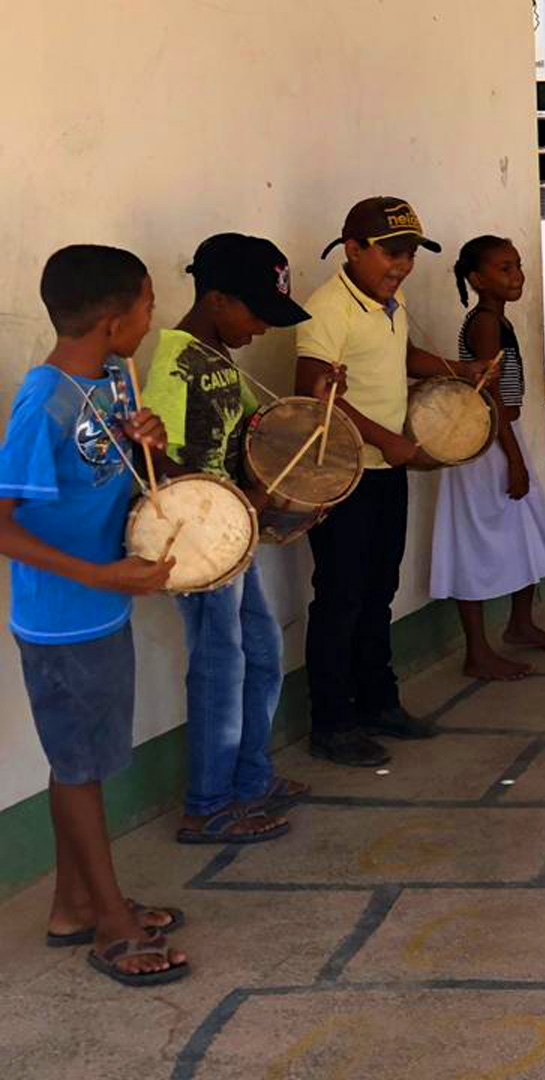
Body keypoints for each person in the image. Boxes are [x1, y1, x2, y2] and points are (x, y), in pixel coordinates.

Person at [1, 245, 189, 984]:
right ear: (115, 321)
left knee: (80, 761)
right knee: (81, 769)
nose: (151, 319)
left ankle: (72, 905)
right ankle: (109, 921)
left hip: (101, 610)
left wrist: (150, 442)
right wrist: (97, 574)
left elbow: (116, 473)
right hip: (64, 617)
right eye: (146, 307)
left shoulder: (111, 378)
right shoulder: (42, 399)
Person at [146, 234, 314, 844]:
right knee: (220, 667)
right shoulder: (175, 360)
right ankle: (208, 804)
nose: (264, 328)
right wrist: (246, 504)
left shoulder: (217, 359)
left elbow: (256, 432)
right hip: (198, 544)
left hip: (231, 539)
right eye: (257, 313)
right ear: (216, 299)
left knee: (262, 654)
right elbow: (159, 466)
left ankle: (250, 778)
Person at [298, 197, 474, 767]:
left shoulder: (388, 304)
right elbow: (315, 395)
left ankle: (379, 701)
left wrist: (454, 369)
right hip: (344, 476)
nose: (403, 264)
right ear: (353, 249)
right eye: (392, 252)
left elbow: (402, 356)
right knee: (341, 597)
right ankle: (331, 720)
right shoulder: (326, 309)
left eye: (411, 254)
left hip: (384, 474)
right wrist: (386, 439)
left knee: (379, 592)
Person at [430, 235, 545, 680]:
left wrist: (516, 451)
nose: (517, 276)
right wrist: (514, 458)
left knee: (528, 528)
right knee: (474, 542)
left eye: (518, 266)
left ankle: (521, 623)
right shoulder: (486, 323)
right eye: (504, 269)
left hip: (502, 440)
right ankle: (477, 651)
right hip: (483, 445)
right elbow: (488, 397)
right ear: (476, 278)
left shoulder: (498, 320)